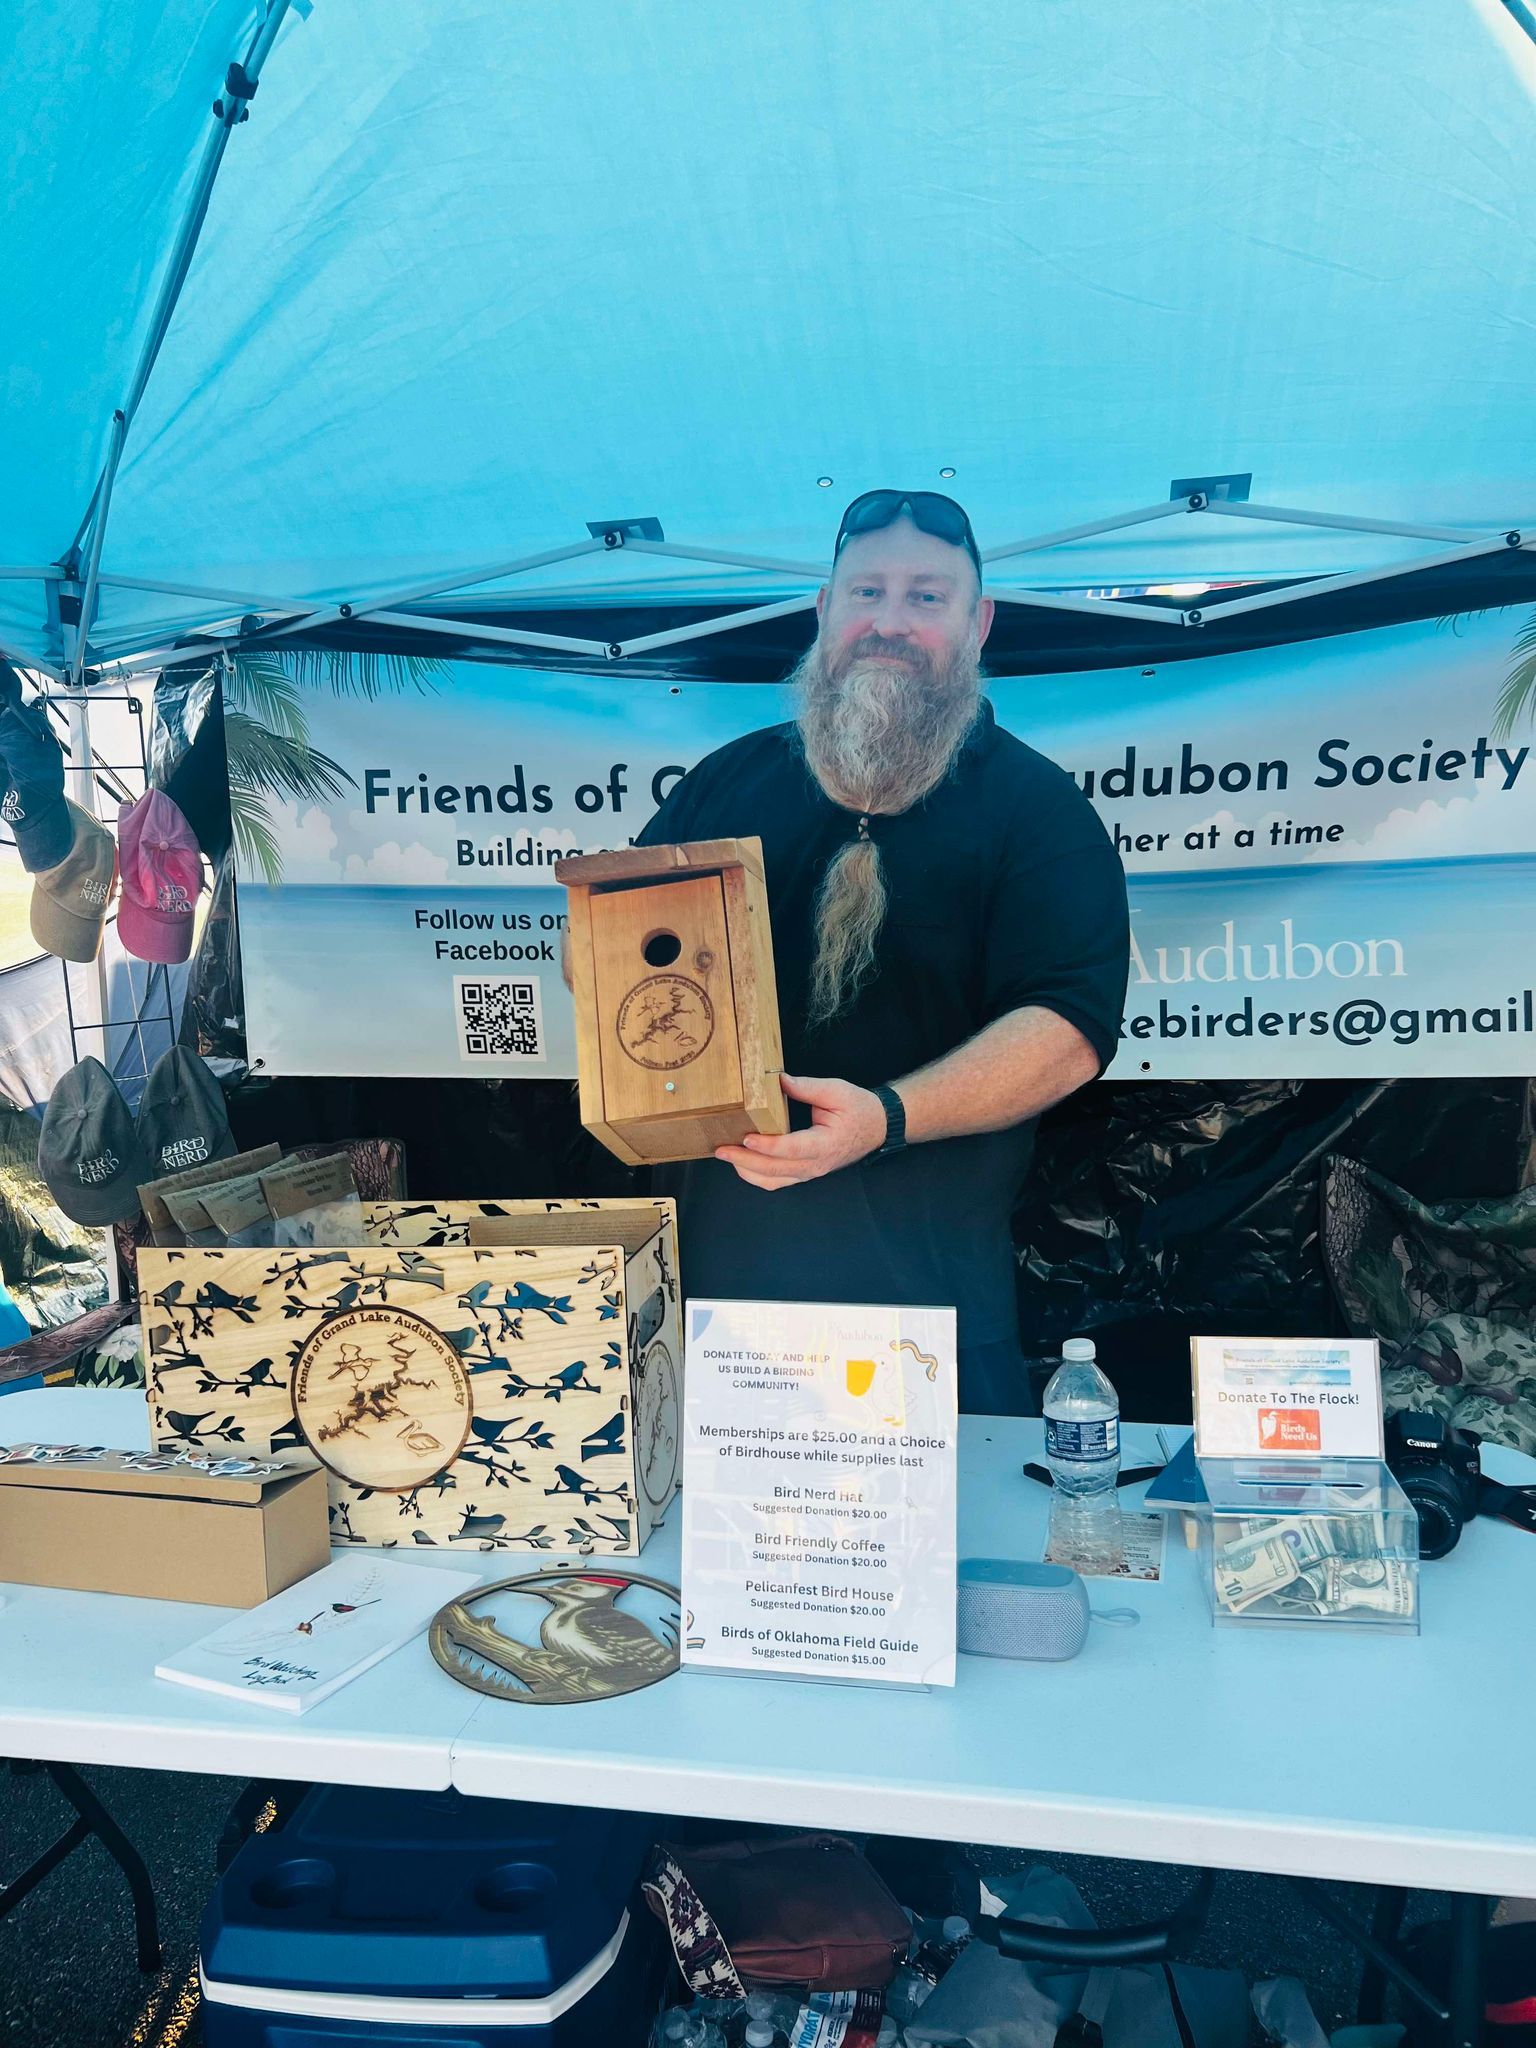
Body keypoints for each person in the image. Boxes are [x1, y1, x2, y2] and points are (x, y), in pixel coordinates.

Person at [634, 489, 1130, 1416]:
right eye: (866, 593)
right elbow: (618, 952)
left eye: (926, 597)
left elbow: (1069, 1028)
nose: (889, 623)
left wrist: (886, 1118)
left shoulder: (1037, 810)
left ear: (979, 623)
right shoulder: (724, 785)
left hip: (927, 1317)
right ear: (826, 610)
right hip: (720, 1310)